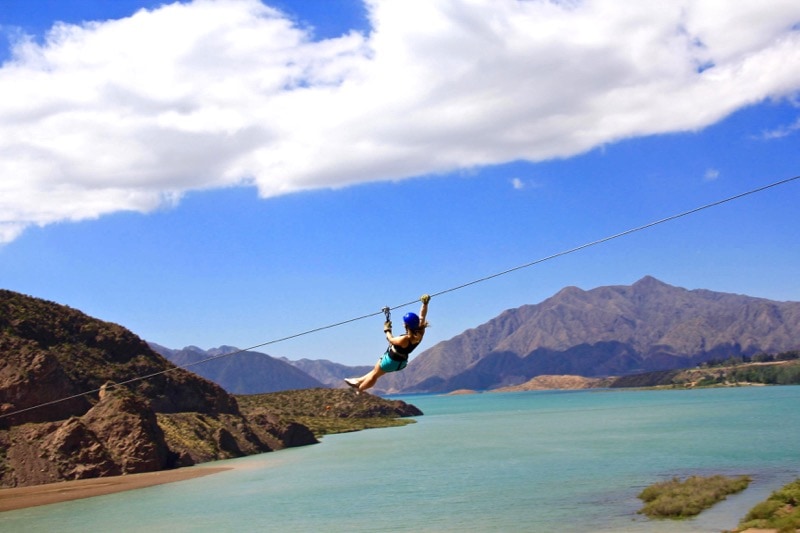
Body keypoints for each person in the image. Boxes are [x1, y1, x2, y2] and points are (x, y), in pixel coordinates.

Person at [345, 294, 430, 393]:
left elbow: (391, 340)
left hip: (391, 361)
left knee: (374, 375)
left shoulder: (405, 339)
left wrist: (387, 330)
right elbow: (422, 316)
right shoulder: (420, 333)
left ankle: (360, 389)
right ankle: (357, 381)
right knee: (375, 372)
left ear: (406, 325)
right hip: (400, 362)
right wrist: (425, 304)